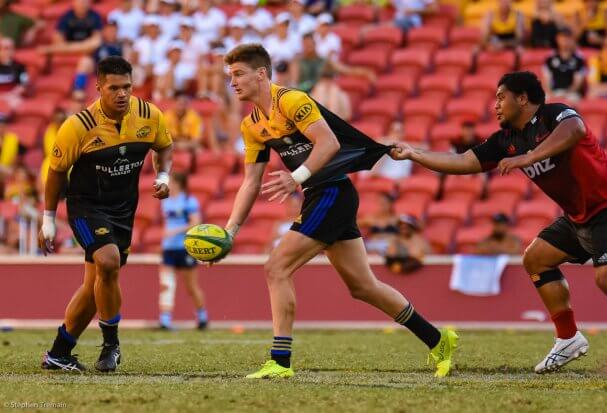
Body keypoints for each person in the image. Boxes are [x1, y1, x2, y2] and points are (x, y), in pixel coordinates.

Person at [217, 44, 457, 379]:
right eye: (230, 76)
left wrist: (296, 177)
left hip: (332, 192)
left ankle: (280, 362)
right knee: (363, 286)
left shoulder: (291, 100)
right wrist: (230, 230)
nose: (233, 82)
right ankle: (438, 339)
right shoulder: (252, 125)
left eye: (239, 74)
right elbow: (251, 182)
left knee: (276, 268)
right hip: (322, 194)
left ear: (261, 74)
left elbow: (328, 143)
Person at [389, 71, 607, 374]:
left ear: (522, 98)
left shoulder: (553, 115)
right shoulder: (506, 140)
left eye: (501, 97)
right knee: (536, 258)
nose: (494, 105)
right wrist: (414, 155)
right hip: (578, 219)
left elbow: (575, 129)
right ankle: (568, 338)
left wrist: (529, 157)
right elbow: (463, 162)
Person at [38, 56, 173, 373]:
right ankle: (111, 345)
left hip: (123, 209)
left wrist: (164, 177)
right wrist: (47, 219)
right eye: (114, 88)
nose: (122, 94)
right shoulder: (78, 127)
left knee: (95, 284)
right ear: (98, 87)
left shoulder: (149, 115)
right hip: (86, 206)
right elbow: (56, 173)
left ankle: (59, 353)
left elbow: (164, 148)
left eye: (127, 86)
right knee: (108, 262)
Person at [159, 172, 208, 330]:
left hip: (185, 247)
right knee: (167, 283)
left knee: (190, 286)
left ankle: (202, 316)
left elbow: (196, 222)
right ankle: (165, 321)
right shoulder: (165, 201)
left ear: (178, 183)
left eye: (170, 182)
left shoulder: (189, 201)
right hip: (169, 248)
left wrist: (175, 231)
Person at [542, 27, 586, 102]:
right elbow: (546, 81)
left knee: (573, 100)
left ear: (572, 40)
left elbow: (577, 83)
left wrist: (565, 94)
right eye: (562, 38)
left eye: (567, 38)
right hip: (554, 92)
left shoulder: (579, 60)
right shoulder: (550, 59)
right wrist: (551, 94)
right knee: (544, 100)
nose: (565, 41)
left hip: (571, 93)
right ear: (557, 39)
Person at [0, 37, 29, 112]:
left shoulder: (19, 67)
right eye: (1, 48)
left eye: (7, 48)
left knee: (15, 104)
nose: (3, 51)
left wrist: (9, 95)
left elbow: (23, 85)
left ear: (13, 50)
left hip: (11, 97)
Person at [587, 35, 607, 100]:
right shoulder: (595, 60)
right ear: (603, 48)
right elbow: (593, 85)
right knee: (591, 94)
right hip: (600, 91)